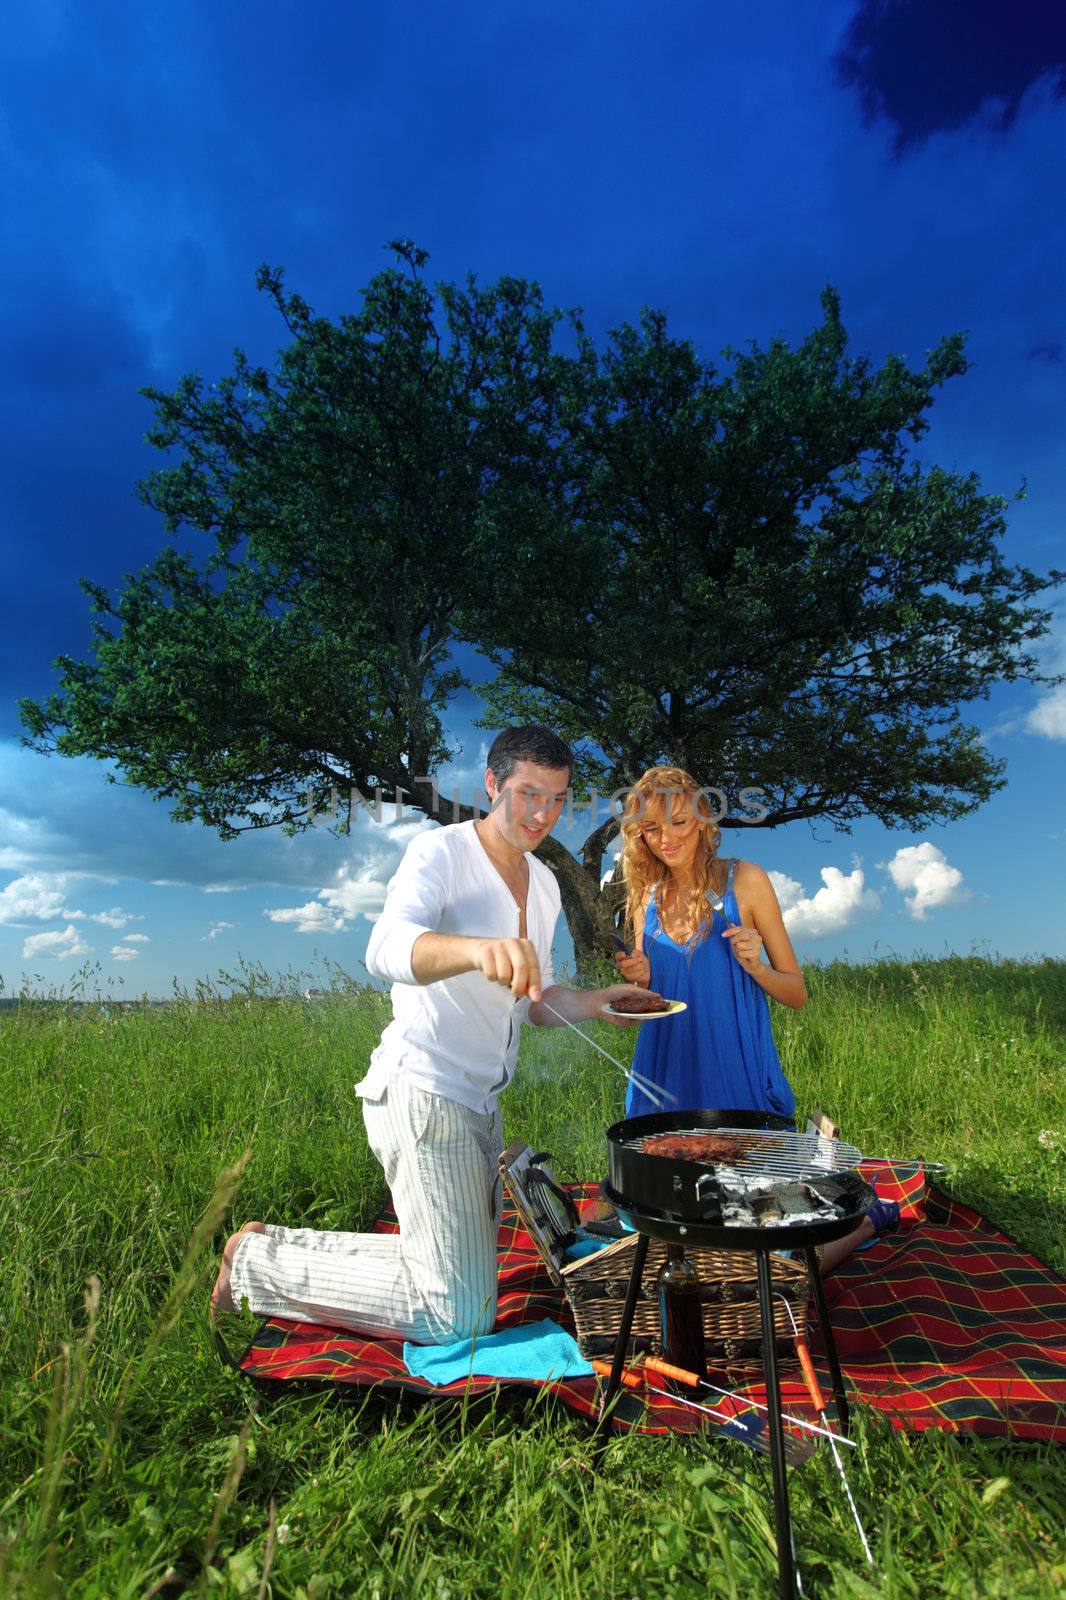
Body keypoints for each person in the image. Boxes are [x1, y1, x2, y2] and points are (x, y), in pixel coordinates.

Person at [211, 726, 657, 1338]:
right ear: (492, 785)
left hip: (482, 1105)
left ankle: (271, 1244)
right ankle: (256, 1268)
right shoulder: (441, 853)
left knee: (454, 1271)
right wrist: (477, 950)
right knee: (457, 1315)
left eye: (557, 798)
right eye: (528, 793)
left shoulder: (547, 883)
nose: (542, 813)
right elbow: (385, 948)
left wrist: (595, 1002)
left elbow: (536, 1002)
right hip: (423, 1093)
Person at [612, 765, 898, 1269]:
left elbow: (797, 993)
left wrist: (756, 965)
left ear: (703, 819)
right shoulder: (648, 898)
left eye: (679, 822)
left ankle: (872, 1215)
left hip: (734, 1066)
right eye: (652, 829)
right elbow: (655, 999)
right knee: (660, 1225)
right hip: (664, 1067)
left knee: (765, 1239)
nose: (666, 838)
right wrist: (638, 980)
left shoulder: (743, 880)